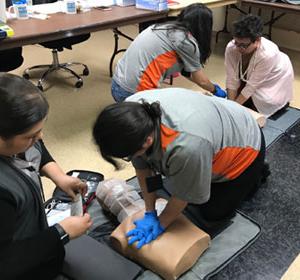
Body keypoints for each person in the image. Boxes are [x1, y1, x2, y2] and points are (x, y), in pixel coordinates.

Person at [93, 87, 267, 249]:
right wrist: (150, 211)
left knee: (211, 213)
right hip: (213, 126)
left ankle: (256, 172)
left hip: (245, 147)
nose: (130, 159)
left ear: (147, 141)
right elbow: (144, 168)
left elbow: (184, 195)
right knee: (171, 184)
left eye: (129, 155)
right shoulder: (131, 115)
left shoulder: (188, 146)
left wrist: (161, 224)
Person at [0, 73, 92, 279]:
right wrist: (60, 232)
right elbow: (5, 262)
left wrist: (59, 176)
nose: (39, 138)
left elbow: (37, 152)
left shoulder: (19, 139)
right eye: (31, 136)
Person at [111, 3, 227, 102]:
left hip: (117, 84)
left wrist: (208, 86)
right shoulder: (186, 41)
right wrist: (215, 90)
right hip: (133, 94)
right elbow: (200, 79)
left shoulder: (164, 27)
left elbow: (188, 72)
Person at [225, 14, 294, 117]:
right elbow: (231, 79)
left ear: (257, 41)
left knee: (261, 104)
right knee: (234, 104)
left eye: (244, 45)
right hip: (252, 79)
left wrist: (233, 110)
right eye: (236, 42)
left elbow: (252, 86)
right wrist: (230, 106)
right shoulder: (232, 47)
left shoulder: (268, 54)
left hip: (273, 83)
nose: (239, 48)